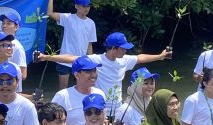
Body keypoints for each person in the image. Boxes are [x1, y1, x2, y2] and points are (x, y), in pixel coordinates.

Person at [39, 31, 171, 108]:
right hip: (99, 105)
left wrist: (160, 56)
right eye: (123, 48)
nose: (126, 50)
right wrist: (46, 57)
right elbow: (71, 58)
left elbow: (141, 58)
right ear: (113, 49)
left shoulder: (123, 60)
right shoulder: (97, 60)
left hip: (117, 106)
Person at [46, 0, 96, 89]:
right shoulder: (68, 18)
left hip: (80, 61)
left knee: (80, 88)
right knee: (63, 88)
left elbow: (89, 44)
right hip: (64, 59)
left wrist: (91, 61)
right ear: (76, 6)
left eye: (88, 6)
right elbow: (49, 14)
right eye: (83, 6)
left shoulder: (91, 23)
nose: (86, 8)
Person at [47, 55, 106, 125]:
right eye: (88, 71)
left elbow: (104, 120)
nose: (93, 75)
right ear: (77, 75)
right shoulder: (63, 96)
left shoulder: (100, 93)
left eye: (94, 70)